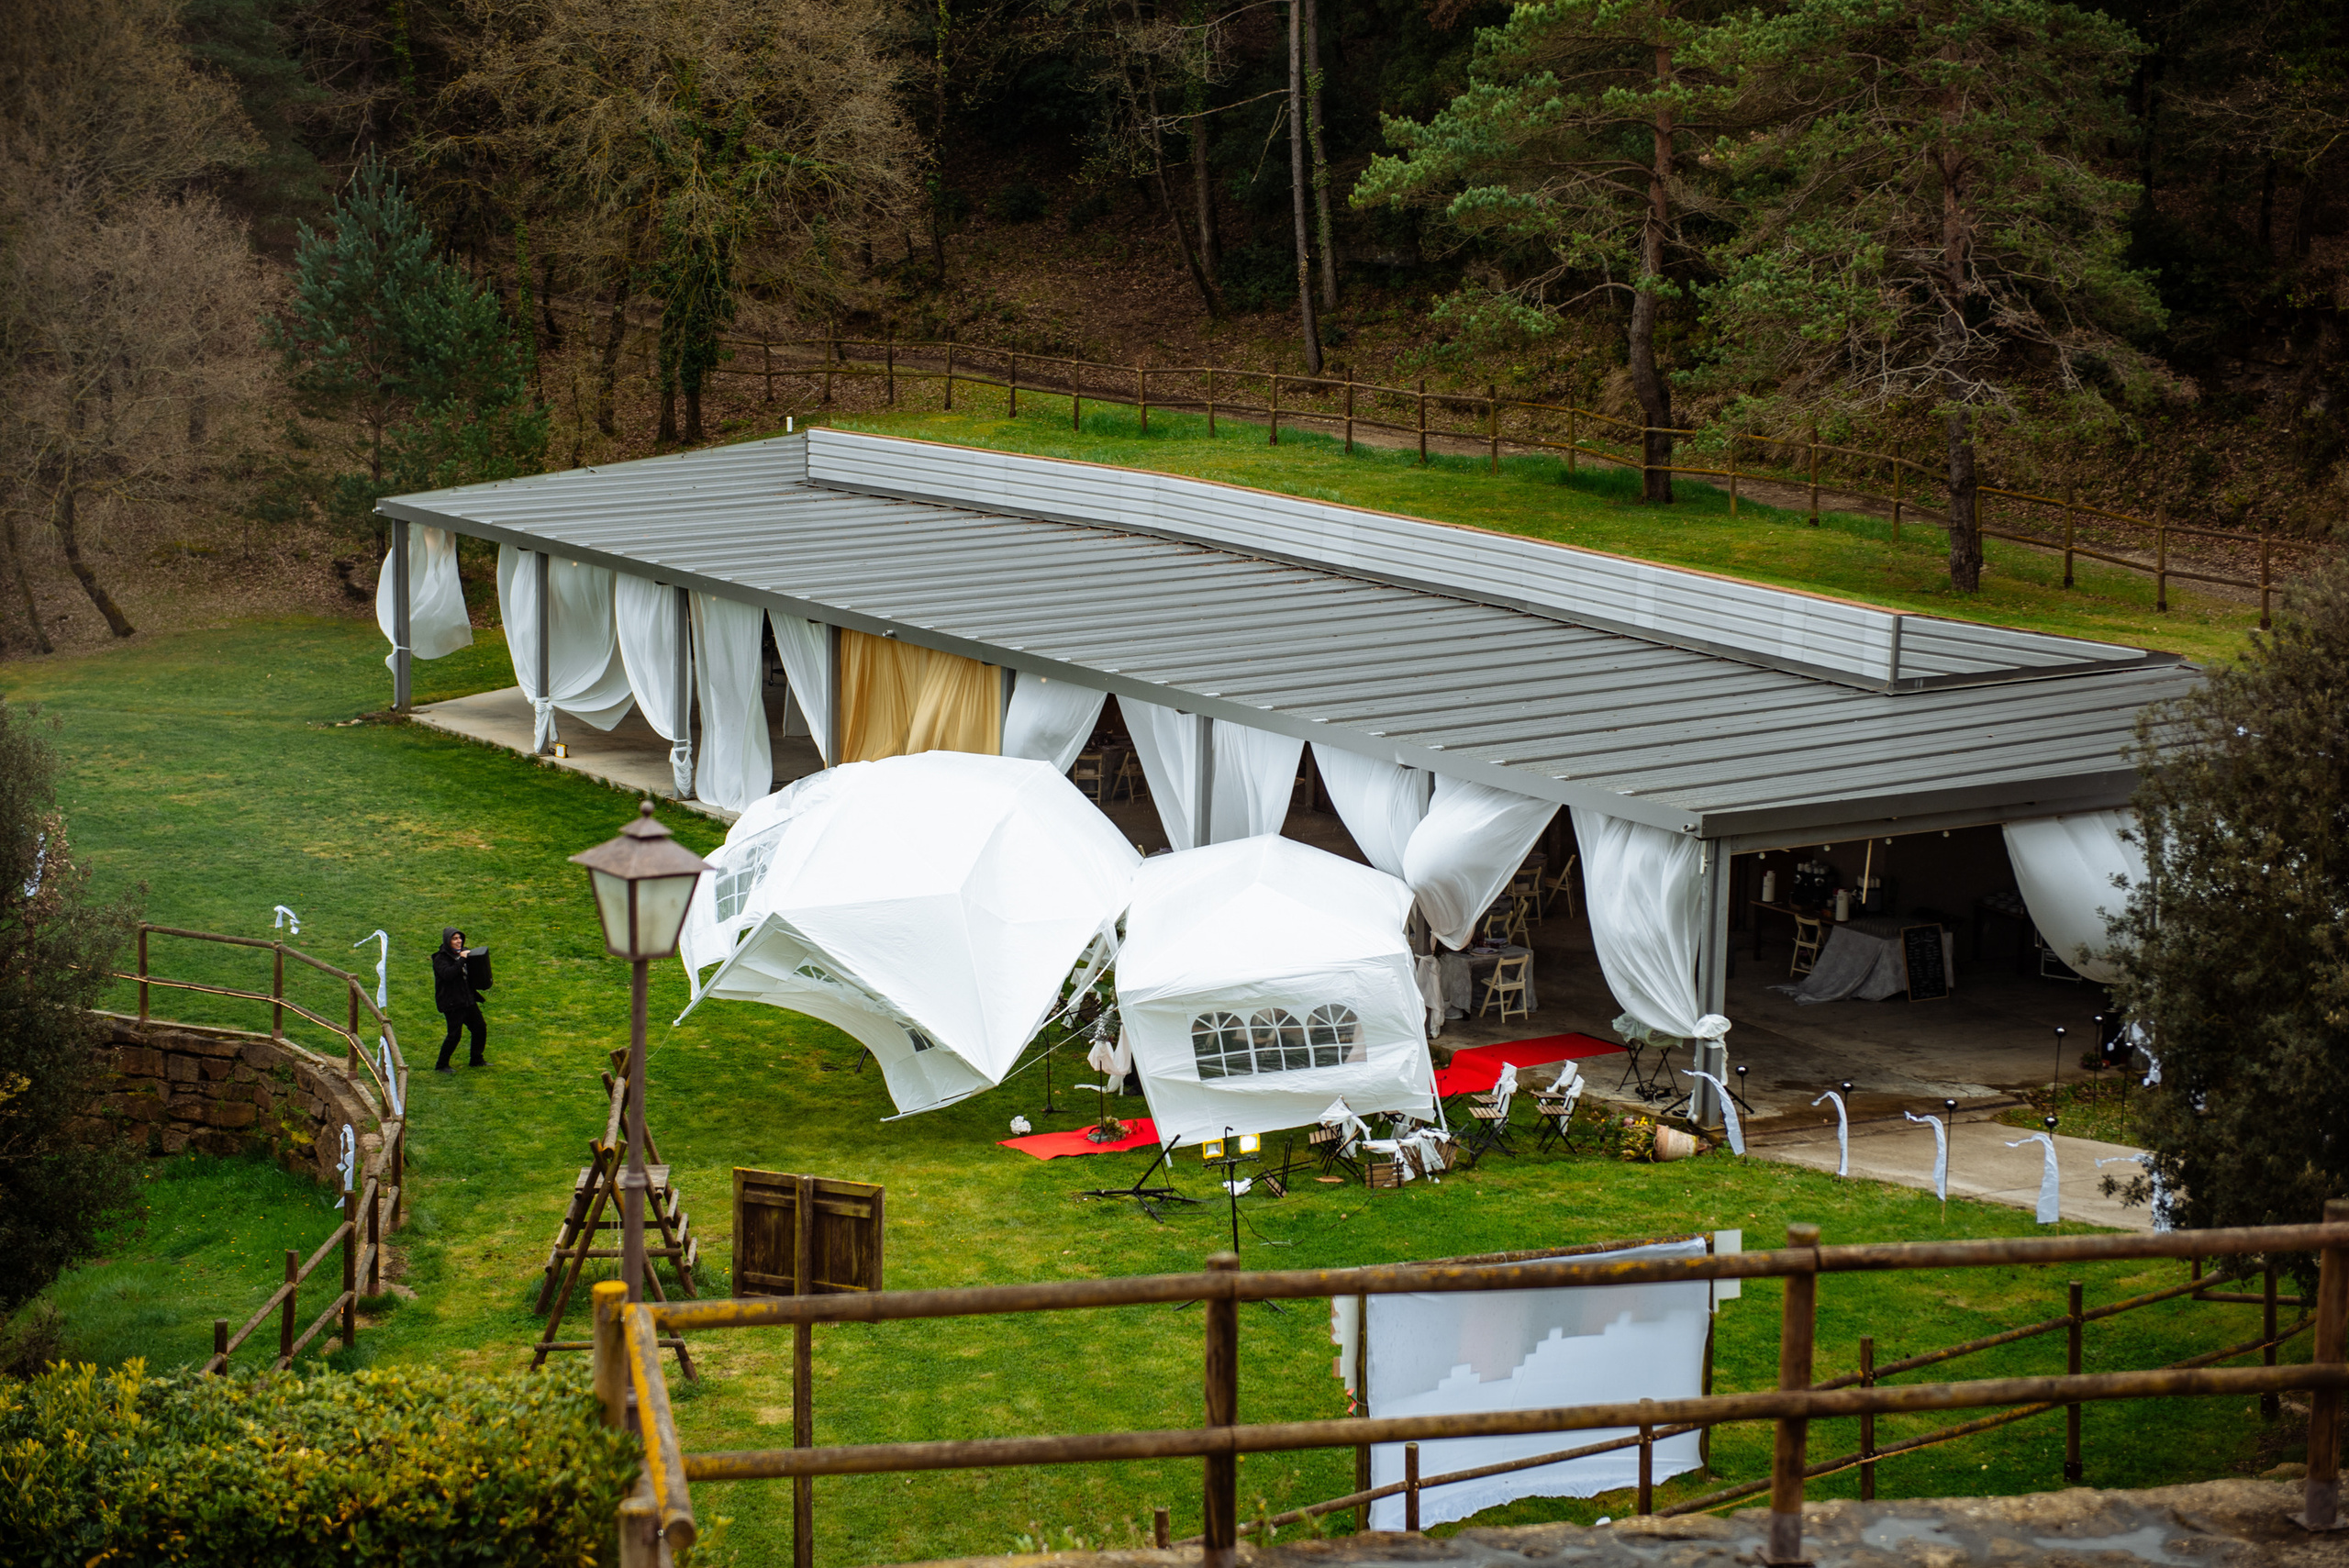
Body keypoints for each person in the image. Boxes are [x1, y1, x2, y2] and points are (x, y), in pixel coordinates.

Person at [433, 926, 487, 1072]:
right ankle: (441, 1065)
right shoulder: (440, 958)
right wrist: (462, 960)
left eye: (460, 938)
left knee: (480, 1028)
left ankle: (476, 1059)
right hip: (452, 1003)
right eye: (454, 939)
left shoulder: (465, 953)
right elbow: (448, 974)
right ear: (448, 941)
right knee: (454, 1035)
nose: (459, 941)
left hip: (467, 1000)